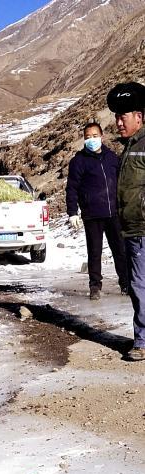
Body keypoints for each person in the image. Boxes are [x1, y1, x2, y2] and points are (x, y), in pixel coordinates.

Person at [66, 122, 128, 300]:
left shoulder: (112, 158)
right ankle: (95, 286)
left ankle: (125, 283)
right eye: (87, 137)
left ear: (102, 136)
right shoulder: (78, 161)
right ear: (84, 139)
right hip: (92, 214)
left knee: (120, 250)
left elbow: (122, 182)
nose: (91, 139)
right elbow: (72, 188)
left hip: (114, 212)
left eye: (94, 136)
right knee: (94, 252)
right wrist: (72, 212)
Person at [108, 81, 145, 361]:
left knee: (141, 285)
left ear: (139, 117)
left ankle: (143, 342)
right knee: (138, 285)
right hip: (133, 229)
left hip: (143, 227)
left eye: (123, 116)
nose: (118, 122)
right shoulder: (130, 146)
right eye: (117, 116)